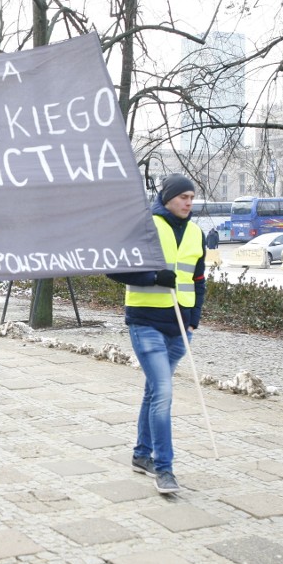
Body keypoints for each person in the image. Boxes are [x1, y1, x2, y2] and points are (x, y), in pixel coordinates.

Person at [107, 173, 206, 495]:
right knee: (163, 393)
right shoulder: (145, 225)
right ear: (167, 198)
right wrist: (152, 277)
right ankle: (164, 469)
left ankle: (141, 455)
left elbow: (199, 278)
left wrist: (194, 319)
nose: (189, 203)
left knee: (154, 391)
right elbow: (114, 268)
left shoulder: (195, 233)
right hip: (146, 323)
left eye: (192, 197)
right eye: (183, 197)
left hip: (180, 328)